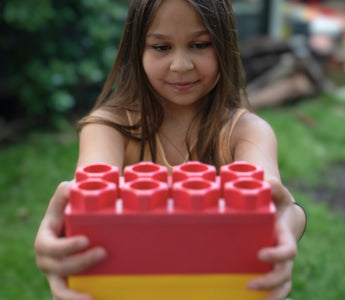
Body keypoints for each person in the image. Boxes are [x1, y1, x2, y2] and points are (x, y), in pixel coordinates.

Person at [34, 0, 307, 299]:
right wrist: (59, 231)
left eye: (200, 44)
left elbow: (276, 202)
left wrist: (289, 224)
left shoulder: (246, 132)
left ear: (225, 44)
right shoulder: (108, 129)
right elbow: (88, 198)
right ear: (137, 50)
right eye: (161, 47)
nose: (181, 65)